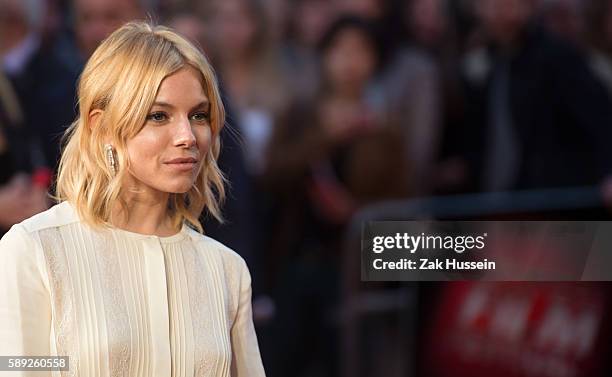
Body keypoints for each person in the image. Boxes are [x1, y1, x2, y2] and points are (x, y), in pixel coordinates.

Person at [0, 22, 266, 377]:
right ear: (102, 127)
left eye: (198, 115)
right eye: (159, 116)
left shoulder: (226, 271)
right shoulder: (37, 249)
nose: (187, 136)